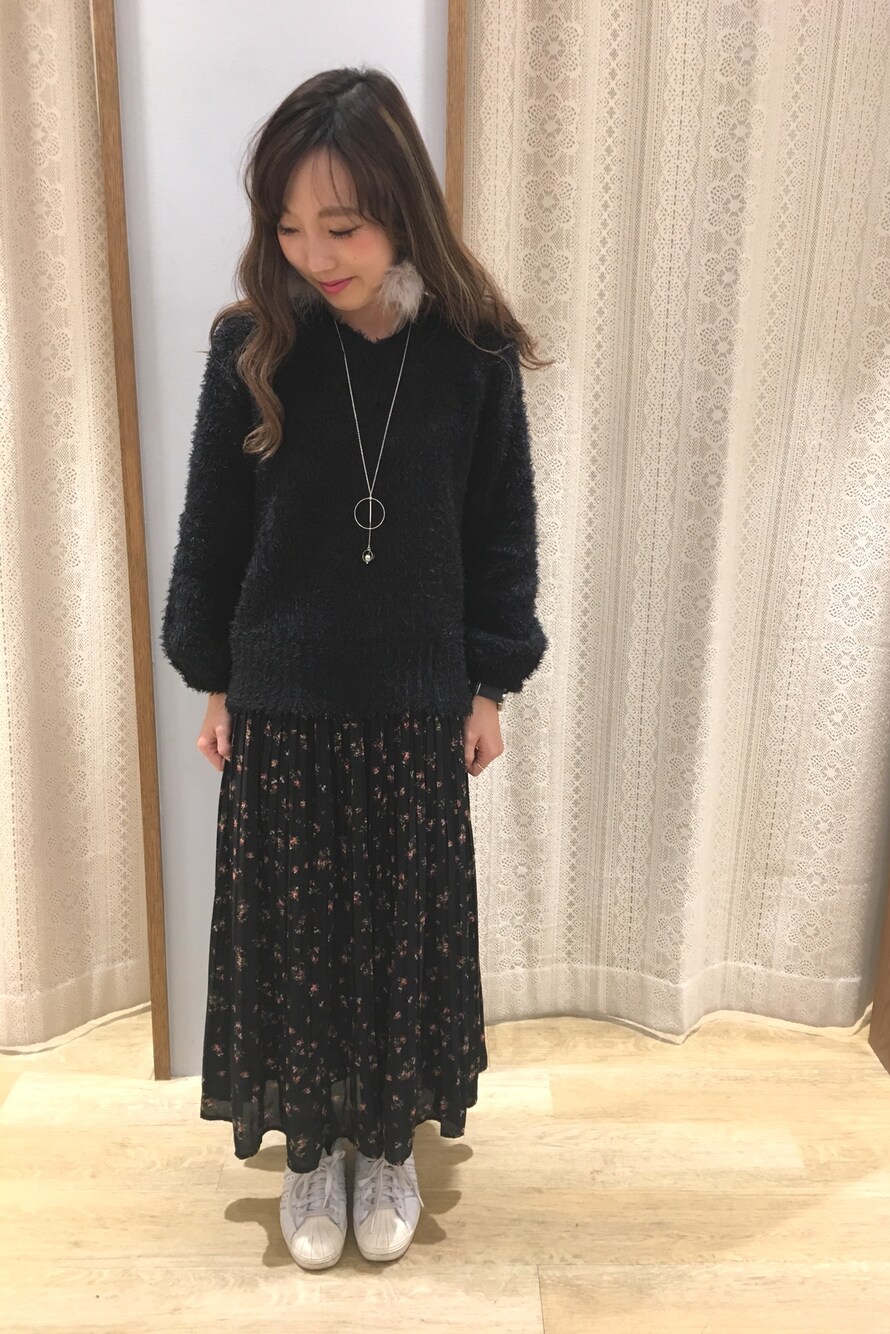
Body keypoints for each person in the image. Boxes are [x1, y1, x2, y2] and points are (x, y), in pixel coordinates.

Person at [160, 67, 549, 1270]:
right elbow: (215, 532)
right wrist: (215, 678)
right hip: (282, 701)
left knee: (396, 940)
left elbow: (500, 532)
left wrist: (488, 684)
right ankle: (310, 1149)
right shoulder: (253, 346)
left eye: (342, 225)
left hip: (415, 703)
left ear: (400, 209)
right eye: (288, 227)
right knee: (298, 944)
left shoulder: (470, 355)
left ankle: (384, 1143)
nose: (314, 255)